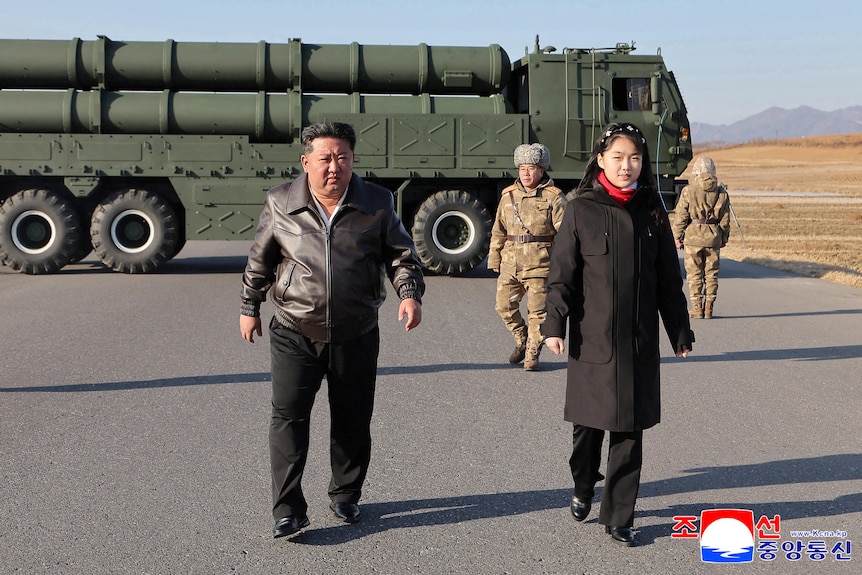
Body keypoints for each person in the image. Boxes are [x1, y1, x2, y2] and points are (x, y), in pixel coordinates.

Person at [239, 121, 425, 539]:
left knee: (353, 419)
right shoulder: (280, 201)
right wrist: (249, 306)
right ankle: (287, 510)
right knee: (288, 418)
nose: (333, 167)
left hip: (356, 331)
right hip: (294, 329)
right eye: (324, 158)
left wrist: (409, 293)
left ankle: (346, 494)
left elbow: (401, 256)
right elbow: (259, 260)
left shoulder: (376, 202)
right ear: (306, 162)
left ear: (352, 160)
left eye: (342, 157)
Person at [541, 123, 694, 547]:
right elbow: (561, 275)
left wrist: (679, 330)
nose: (627, 166)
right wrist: (554, 324)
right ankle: (583, 484)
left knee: (629, 429)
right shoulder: (582, 208)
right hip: (593, 340)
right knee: (588, 428)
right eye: (618, 157)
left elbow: (668, 279)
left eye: (635, 158)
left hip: (638, 341)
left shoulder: (653, 210)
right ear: (601, 160)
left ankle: (620, 515)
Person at [488, 143, 566, 371]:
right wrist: (494, 258)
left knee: (538, 313)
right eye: (522, 168)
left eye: (531, 168)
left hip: (540, 265)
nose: (526, 173)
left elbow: (565, 235)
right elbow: (498, 230)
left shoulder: (554, 198)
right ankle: (522, 339)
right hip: (511, 264)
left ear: (541, 170)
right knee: (503, 307)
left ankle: (532, 354)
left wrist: (562, 264)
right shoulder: (508, 196)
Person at [671, 156, 732, 319]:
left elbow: (681, 216)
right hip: (713, 237)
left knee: (694, 274)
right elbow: (725, 219)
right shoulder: (721, 193)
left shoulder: (688, 191)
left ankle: (697, 307)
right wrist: (724, 238)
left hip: (693, 238)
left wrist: (677, 236)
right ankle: (709, 307)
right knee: (711, 274)